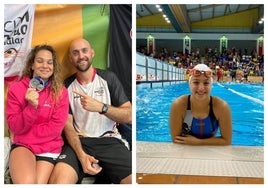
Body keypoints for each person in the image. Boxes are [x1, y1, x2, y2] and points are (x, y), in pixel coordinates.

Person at [49, 38, 132, 184]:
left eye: (84, 50)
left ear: (92, 53)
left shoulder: (108, 78)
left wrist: (101, 107)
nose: (81, 56)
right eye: (75, 53)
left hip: (109, 141)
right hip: (79, 143)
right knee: (59, 182)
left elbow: (129, 116)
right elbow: (67, 125)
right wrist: (81, 155)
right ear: (70, 58)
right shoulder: (65, 86)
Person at [5, 44, 69, 183]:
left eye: (49, 62)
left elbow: (55, 129)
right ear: (32, 65)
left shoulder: (61, 92)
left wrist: (23, 135)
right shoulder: (16, 89)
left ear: (54, 66)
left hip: (49, 148)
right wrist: (31, 107)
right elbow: (14, 126)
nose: (45, 65)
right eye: (40, 61)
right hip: (23, 146)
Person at [169, 64, 232, 145]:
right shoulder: (179, 105)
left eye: (206, 83)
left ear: (211, 86)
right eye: (196, 82)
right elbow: (176, 140)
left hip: (210, 151)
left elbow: (227, 141)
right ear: (189, 84)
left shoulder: (221, 107)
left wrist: (199, 142)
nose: (201, 88)